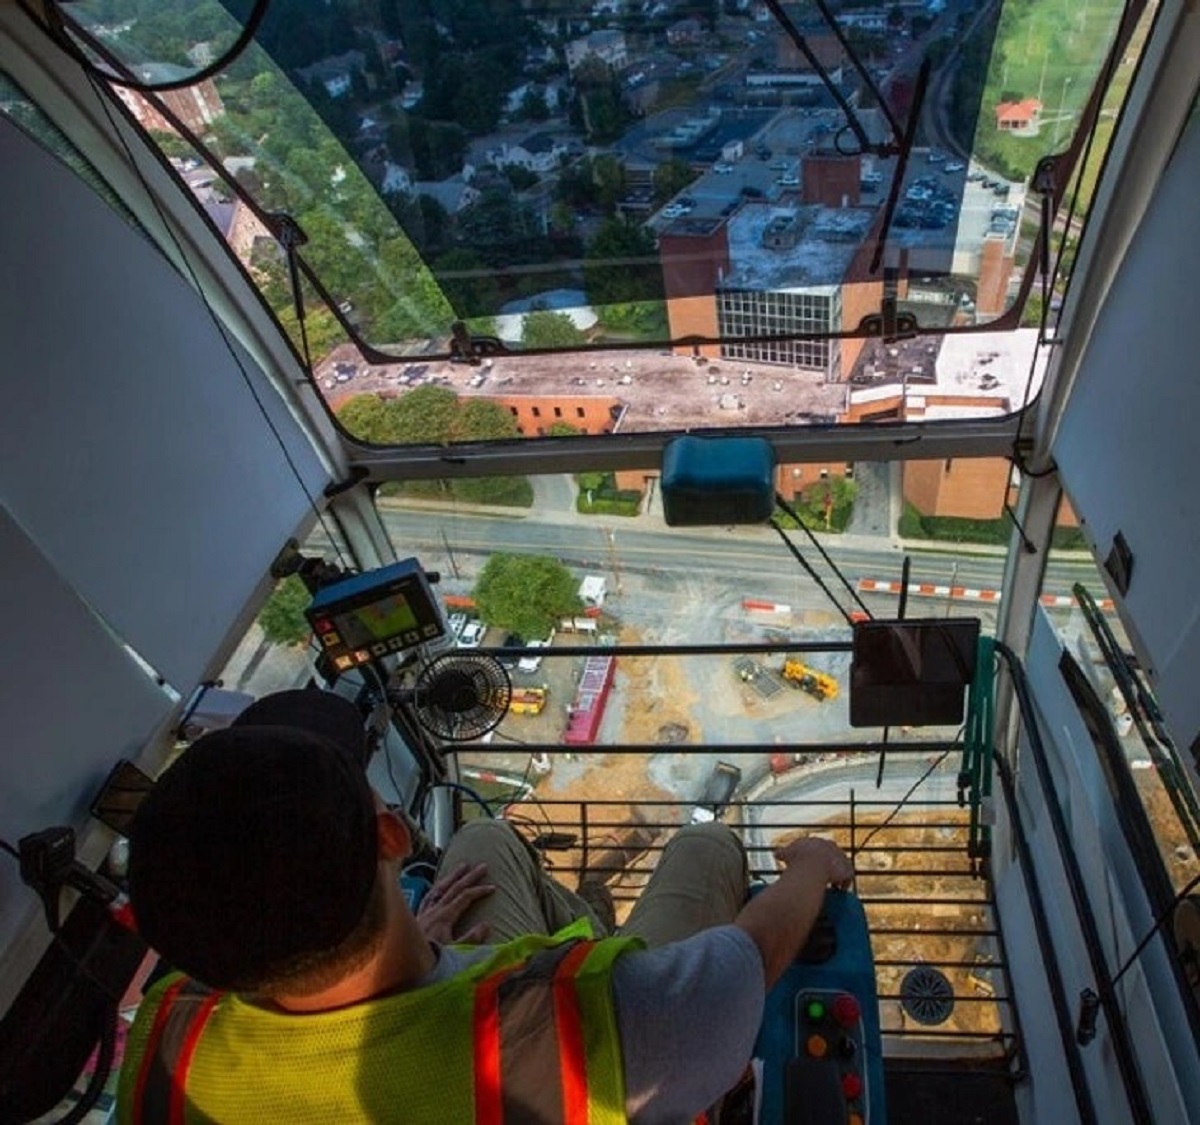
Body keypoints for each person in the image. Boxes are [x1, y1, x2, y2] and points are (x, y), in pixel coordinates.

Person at [117, 689, 853, 1124]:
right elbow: (746, 962)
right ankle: (599, 923)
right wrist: (811, 867)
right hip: (603, 1011)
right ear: (392, 834)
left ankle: (589, 914)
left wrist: (417, 945)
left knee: (484, 838)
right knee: (706, 849)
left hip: (444, 967)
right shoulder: (565, 1028)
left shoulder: (163, 1042)